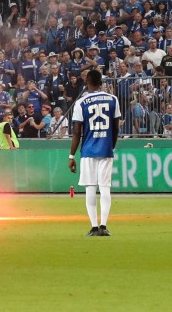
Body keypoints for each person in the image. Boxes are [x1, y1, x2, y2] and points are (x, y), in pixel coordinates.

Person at [68, 68, 121, 237]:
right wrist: (110, 146)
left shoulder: (81, 102)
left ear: (87, 82)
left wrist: (71, 156)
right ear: (101, 83)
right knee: (105, 188)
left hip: (88, 150)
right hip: (105, 149)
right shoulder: (113, 100)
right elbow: (116, 128)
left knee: (90, 187)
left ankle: (93, 227)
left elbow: (77, 132)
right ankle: (104, 226)